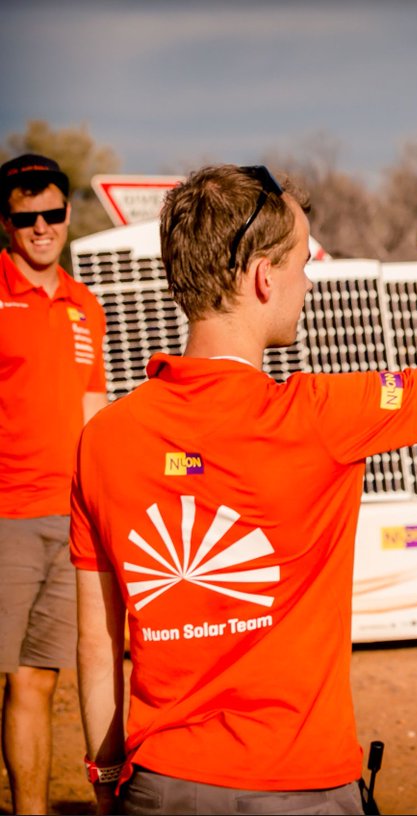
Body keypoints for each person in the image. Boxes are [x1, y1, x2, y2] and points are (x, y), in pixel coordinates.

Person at [71, 83, 417, 815]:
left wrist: (109, 780)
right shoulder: (323, 414)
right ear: (263, 278)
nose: (308, 279)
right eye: (301, 261)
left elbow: (100, 642)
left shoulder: (104, 437)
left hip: (159, 784)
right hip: (300, 785)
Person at [0, 154, 108, 815]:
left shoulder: (85, 306)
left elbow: (92, 408)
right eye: (24, 217)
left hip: (67, 518)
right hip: (5, 517)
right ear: (6, 224)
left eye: (52, 213)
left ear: (68, 214)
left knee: (37, 681)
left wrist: (102, 501)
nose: (41, 227)